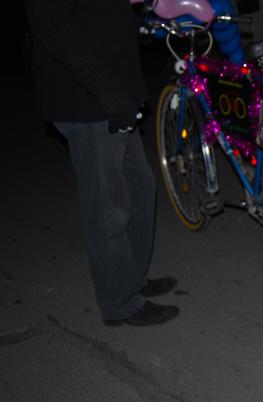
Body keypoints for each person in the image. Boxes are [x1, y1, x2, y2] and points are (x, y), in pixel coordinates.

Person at [24, 0, 180, 326]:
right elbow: (55, 28)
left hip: (114, 92)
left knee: (140, 186)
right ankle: (119, 301)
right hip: (87, 99)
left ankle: (130, 278)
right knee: (107, 204)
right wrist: (108, 93)